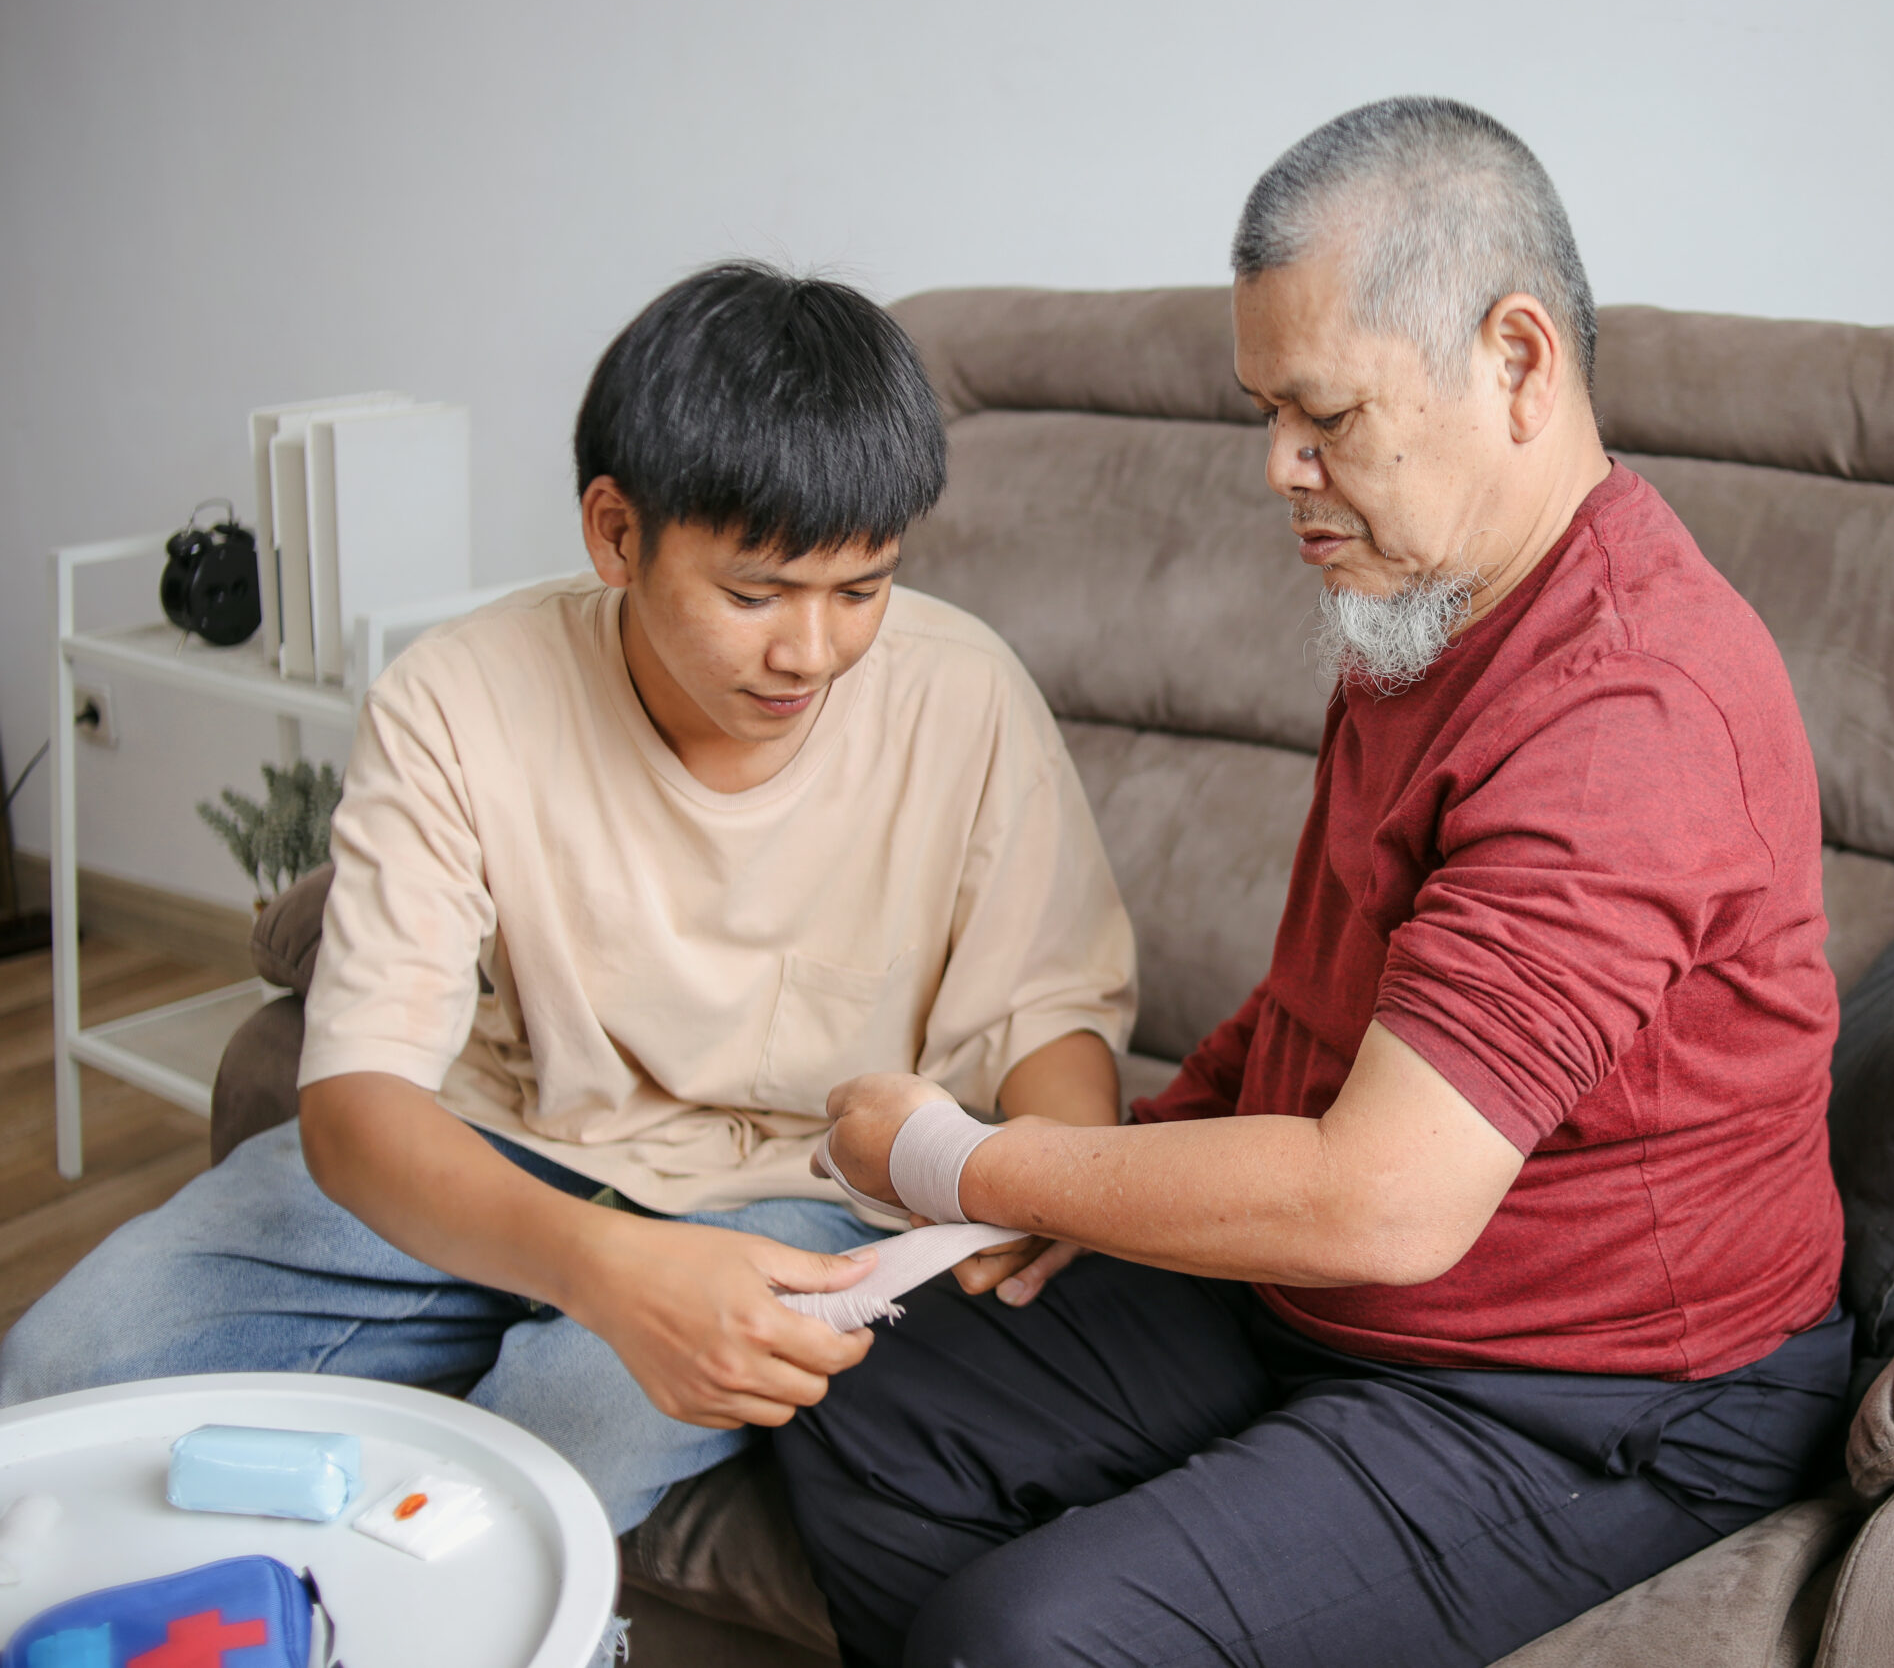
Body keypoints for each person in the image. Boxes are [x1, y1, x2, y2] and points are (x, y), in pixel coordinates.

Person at [778, 98, 1851, 1668]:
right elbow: (1315, 1001)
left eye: (1326, 414)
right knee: (859, 1401)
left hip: (1591, 1392)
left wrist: (965, 1160)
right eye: (1264, 409)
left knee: (1028, 1638)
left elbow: (1384, 1197)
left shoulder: (1629, 708)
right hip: (1324, 1293)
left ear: (1519, 362)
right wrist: (1125, 1173)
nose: (1280, 466)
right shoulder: (1424, 601)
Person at [0, 263, 1138, 1536]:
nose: (810, 652)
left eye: (860, 590)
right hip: (499, 1133)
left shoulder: (964, 694)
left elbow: (1047, 1010)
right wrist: (602, 1265)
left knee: (534, 1474)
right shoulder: (458, 699)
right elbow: (359, 1102)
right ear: (614, 533)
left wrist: (1045, 1180)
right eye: (754, 593)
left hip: (798, 1189)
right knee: (57, 1371)